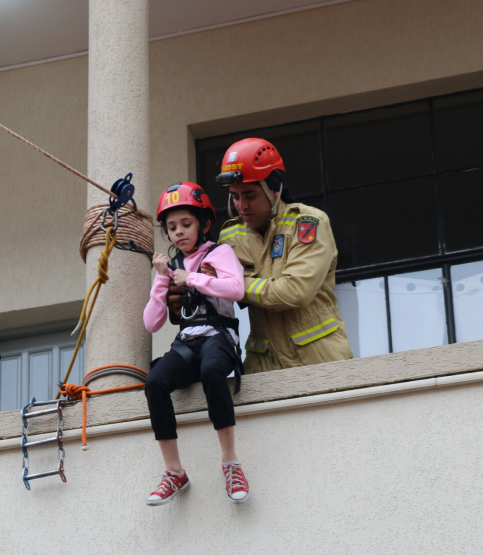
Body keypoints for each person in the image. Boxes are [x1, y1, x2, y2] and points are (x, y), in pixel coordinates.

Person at [143, 181, 250, 506]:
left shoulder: (220, 253)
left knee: (212, 370)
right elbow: (152, 323)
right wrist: (162, 279)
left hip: (219, 336)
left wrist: (192, 278)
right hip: (188, 341)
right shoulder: (171, 267)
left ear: (203, 224)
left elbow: (236, 289)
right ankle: (174, 471)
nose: (178, 232)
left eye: (186, 224)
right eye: (172, 227)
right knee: (155, 381)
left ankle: (230, 462)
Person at [212, 137, 353, 373]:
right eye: (235, 196)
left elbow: (295, 291)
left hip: (320, 360)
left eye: (250, 195)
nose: (242, 205)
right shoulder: (230, 236)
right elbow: (213, 297)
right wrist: (181, 297)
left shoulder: (308, 223)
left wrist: (233, 285)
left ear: (274, 190)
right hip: (264, 367)